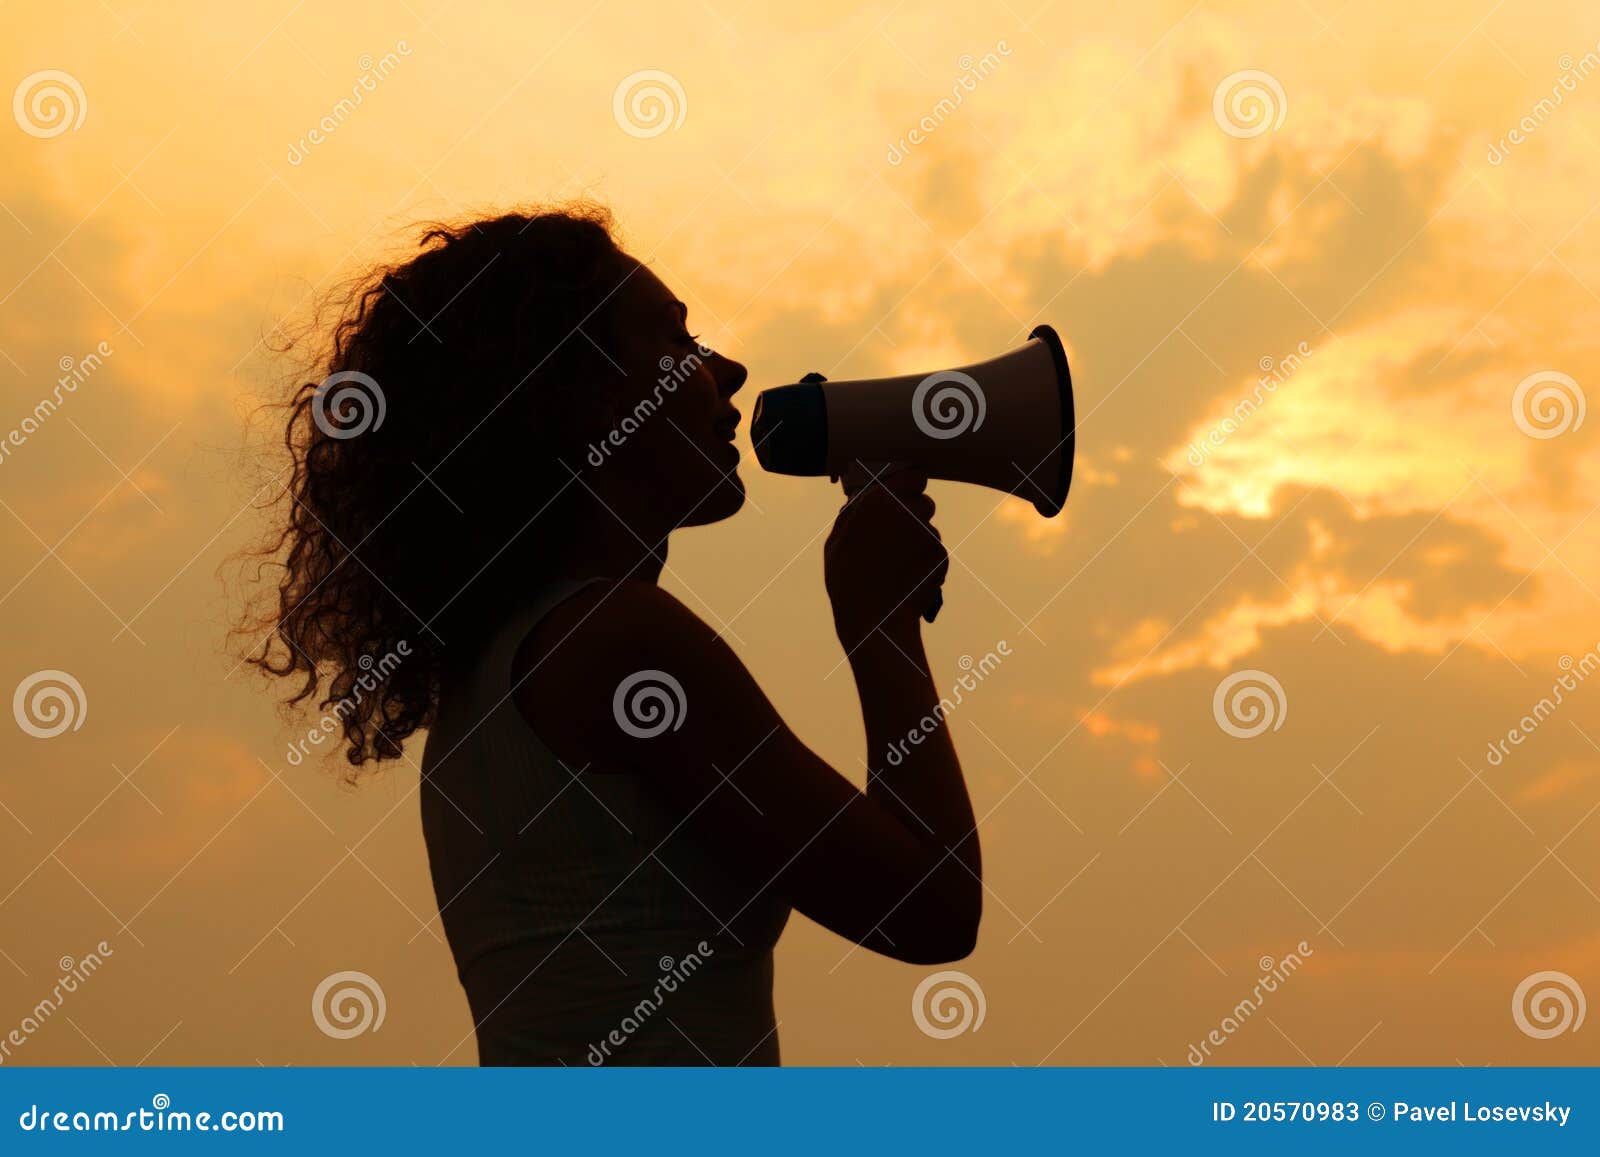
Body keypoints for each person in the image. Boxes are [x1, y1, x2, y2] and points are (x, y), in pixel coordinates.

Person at [246, 204, 981, 1065]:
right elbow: (930, 907)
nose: (729, 369)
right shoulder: (620, 644)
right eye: (676, 343)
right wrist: (879, 624)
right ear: (574, 396)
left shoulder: (498, 669)